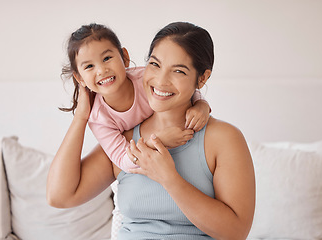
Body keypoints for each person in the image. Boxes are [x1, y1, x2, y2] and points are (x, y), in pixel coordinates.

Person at [47, 22, 255, 239]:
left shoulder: (223, 139)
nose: (161, 81)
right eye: (155, 65)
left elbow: (236, 232)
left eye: (178, 71)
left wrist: (169, 178)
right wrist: (81, 116)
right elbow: (59, 196)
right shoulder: (127, 145)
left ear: (201, 78)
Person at [60, 23, 211, 172]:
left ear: (124, 57)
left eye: (107, 58)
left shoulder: (145, 78)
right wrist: (157, 142)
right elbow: (122, 160)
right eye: (89, 66)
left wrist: (201, 104)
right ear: (79, 78)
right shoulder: (100, 118)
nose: (101, 70)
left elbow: (180, 87)